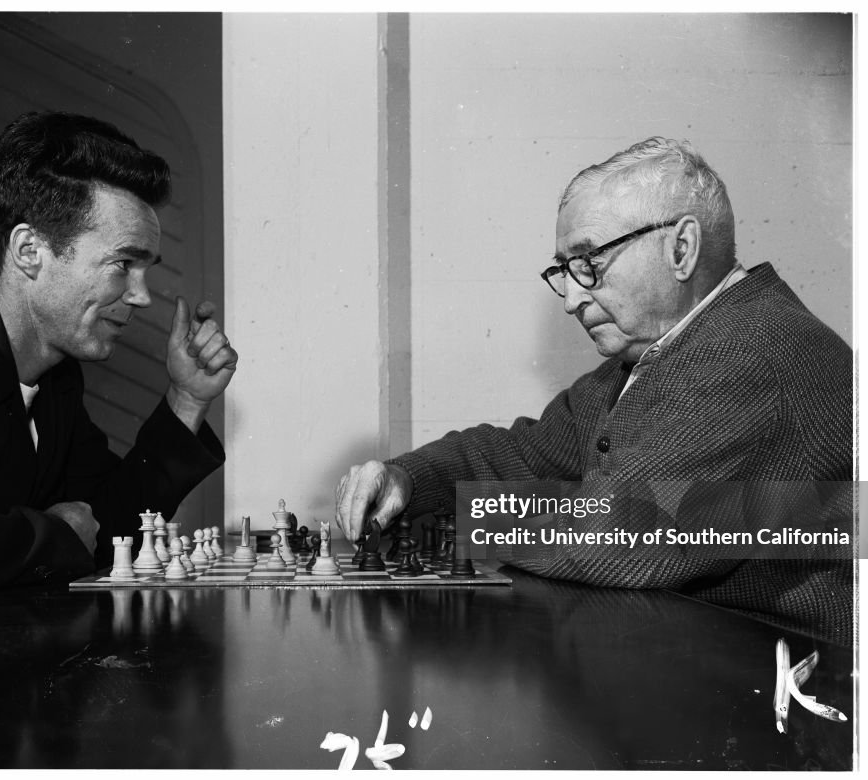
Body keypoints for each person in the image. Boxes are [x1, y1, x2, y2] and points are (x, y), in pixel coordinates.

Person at [335, 137, 852, 644]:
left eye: (591, 262)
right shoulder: (651, 356)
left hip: (798, 684)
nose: (571, 298)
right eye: (565, 270)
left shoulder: (748, 353)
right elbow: (526, 453)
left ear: (682, 248)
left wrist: (507, 511)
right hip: (703, 654)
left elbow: (614, 536)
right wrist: (409, 478)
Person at [0, 111, 238, 597]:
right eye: (124, 264)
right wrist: (55, 536)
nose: (142, 296)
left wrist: (186, 399)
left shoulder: (57, 379)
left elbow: (107, 528)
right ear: (29, 251)